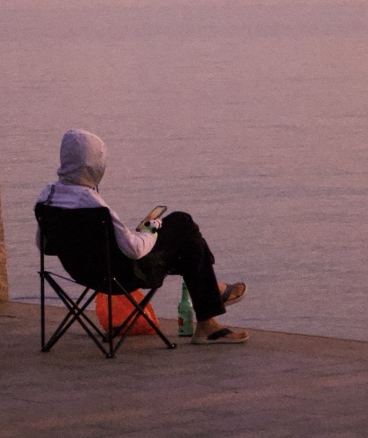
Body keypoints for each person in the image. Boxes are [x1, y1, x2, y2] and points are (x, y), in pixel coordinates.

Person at [35, 129, 248, 344]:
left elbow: (43, 245)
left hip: (81, 273)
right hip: (121, 277)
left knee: (188, 245)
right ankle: (210, 308)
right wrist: (152, 228)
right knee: (183, 224)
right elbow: (135, 250)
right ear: (93, 164)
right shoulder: (94, 205)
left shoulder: (47, 197)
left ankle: (211, 302)